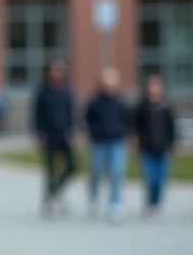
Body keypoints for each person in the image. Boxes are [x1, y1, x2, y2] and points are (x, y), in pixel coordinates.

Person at [84, 67, 132, 222]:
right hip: (99, 142)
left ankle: (115, 203)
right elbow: (88, 120)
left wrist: (126, 133)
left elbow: (128, 121)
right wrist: (94, 132)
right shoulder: (94, 102)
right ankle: (93, 197)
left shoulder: (121, 102)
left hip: (116, 141)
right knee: (96, 172)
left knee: (116, 172)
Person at [33, 59, 76, 217]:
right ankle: (50, 200)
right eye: (54, 70)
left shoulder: (66, 90)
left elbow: (71, 112)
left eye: (60, 70)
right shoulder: (43, 91)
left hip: (64, 134)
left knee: (72, 166)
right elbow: (37, 115)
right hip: (48, 134)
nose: (57, 73)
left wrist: (72, 129)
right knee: (50, 170)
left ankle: (54, 192)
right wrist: (39, 133)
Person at [132, 74, 177, 217]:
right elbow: (135, 126)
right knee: (150, 178)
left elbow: (172, 127)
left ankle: (157, 203)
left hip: (163, 148)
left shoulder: (166, 106)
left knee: (161, 178)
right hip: (146, 148)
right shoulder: (142, 107)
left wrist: (172, 143)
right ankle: (150, 203)